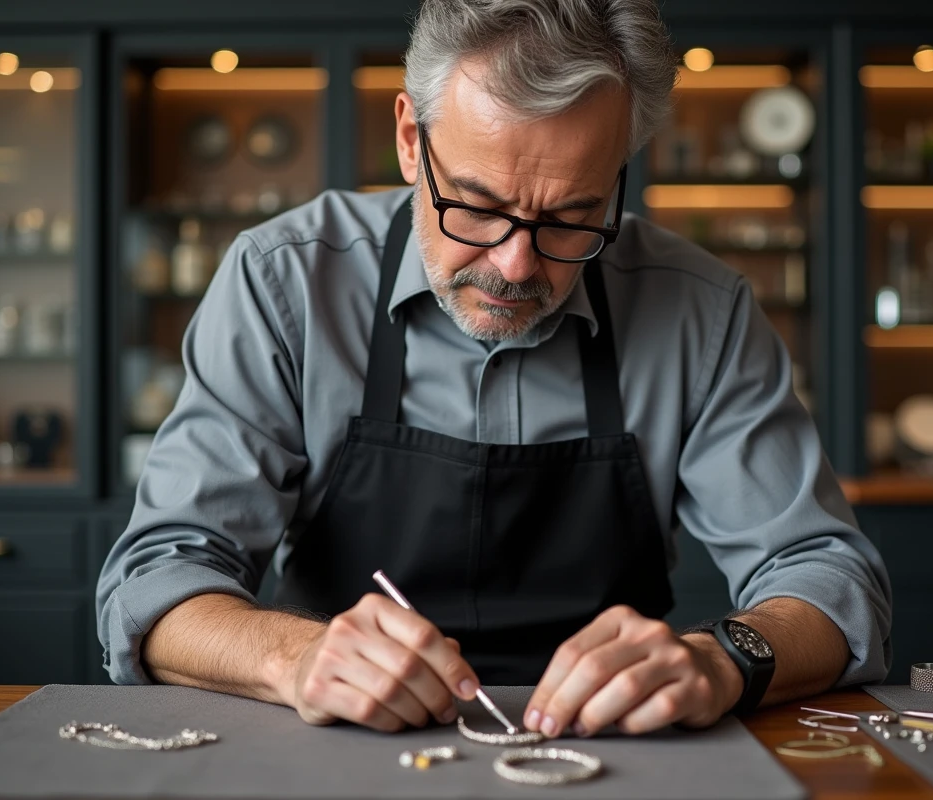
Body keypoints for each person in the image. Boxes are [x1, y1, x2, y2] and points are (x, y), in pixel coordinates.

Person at [97, 0, 891, 739]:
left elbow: (829, 579)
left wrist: (726, 657)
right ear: (412, 141)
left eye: (573, 216)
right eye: (476, 206)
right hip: (339, 751)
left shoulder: (701, 310)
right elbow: (155, 585)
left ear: (619, 174)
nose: (515, 265)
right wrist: (291, 658)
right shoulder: (284, 282)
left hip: (615, 756)